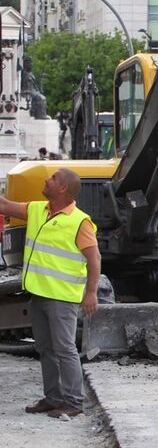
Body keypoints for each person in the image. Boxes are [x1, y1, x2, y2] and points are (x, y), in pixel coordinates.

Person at [0, 168, 100, 419]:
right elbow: (4, 205)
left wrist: (91, 292)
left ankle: (74, 402)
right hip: (38, 294)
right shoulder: (37, 210)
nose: (47, 179)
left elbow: (94, 258)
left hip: (62, 298)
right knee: (45, 348)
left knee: (64, 349)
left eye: (53, 177)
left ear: (63, 188)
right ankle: (53, 398)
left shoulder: (79, 221)